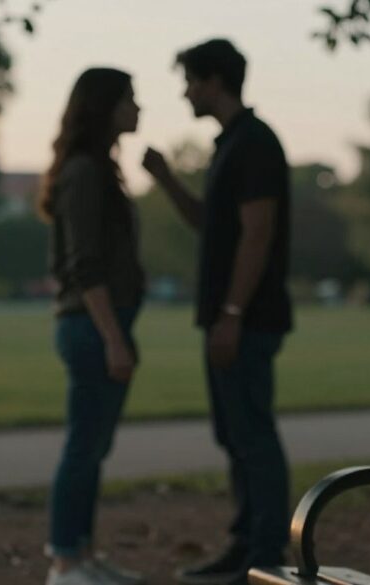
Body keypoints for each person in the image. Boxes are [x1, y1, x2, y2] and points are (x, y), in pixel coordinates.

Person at [141, 38, 293, 585]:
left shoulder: (254, 142)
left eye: (190, 82)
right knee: (234, 434)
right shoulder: (231, 143)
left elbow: (257, 232)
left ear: (213, 82)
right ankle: (244, 542)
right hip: (229, 319)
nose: (185, 93)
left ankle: (265, 552)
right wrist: (165, 179)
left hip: (246, 319)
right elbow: (214, 224)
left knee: (252, 435)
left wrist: (231, 313)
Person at [38, 67, 146, 585]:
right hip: (91, 327)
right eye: (129, 99)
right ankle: (64, 561)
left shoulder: (99, 169)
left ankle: (82, 553)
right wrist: (113, 339)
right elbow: (85, 267)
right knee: (83, 447)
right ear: (105, 108)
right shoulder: (83, 172)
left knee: (94, 448)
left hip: (103, 325)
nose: (137, 108)